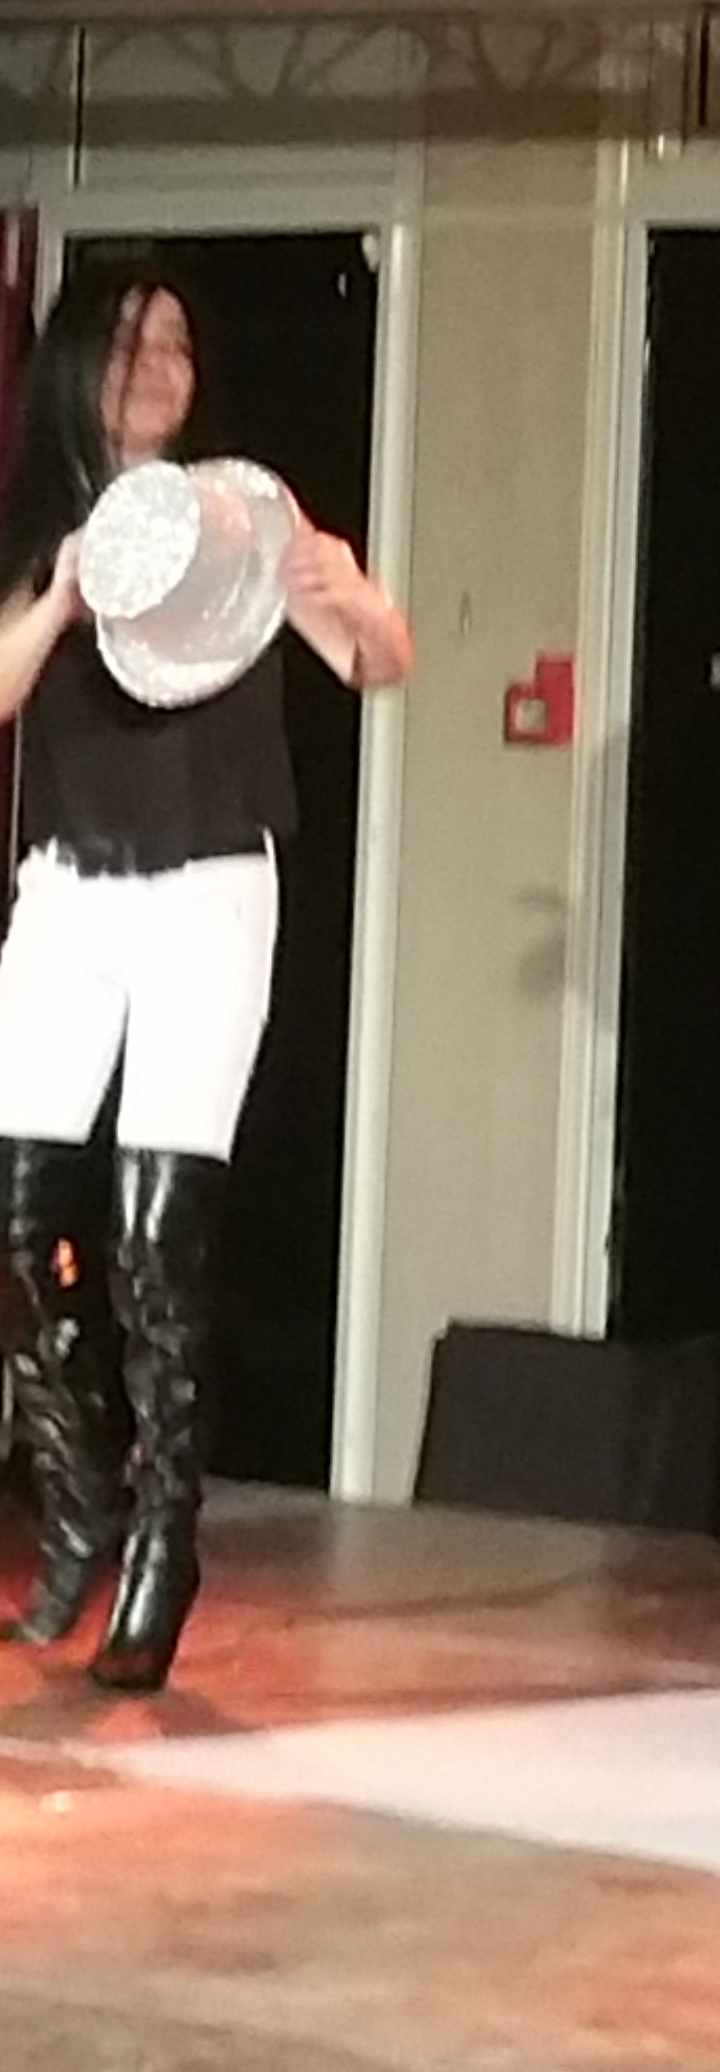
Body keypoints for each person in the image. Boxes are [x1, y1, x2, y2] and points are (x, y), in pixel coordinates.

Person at [0, 247, 410, 1694]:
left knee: (157, 1238)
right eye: (130, 345)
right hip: (70, 890)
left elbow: (379, 661)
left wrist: (351, 591)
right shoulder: (39, 522)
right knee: (20, 1221)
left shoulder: (235, 517)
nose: (157, 371)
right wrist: (59, 601)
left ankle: (165, 1546)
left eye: (176, 346)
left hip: (211, 889)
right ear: (79, 364)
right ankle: (80, 1501)